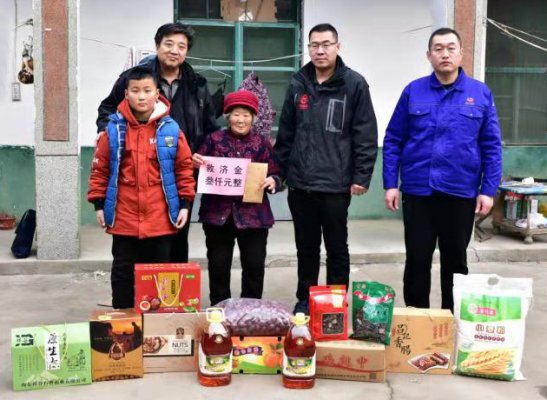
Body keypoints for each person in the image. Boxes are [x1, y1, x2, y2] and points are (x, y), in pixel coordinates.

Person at [383, 27, 503, 311]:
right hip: (418, 190)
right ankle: (417, 320)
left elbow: (491, 146)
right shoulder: (413, 91)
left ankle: (452, 321)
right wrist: (390, 183)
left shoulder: (480, 94)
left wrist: (487, 190)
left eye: (451, 48)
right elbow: (393, 139)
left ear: (461, 53)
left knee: (456, 262)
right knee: (417, 260)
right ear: (429, 55)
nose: (445, 54)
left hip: (460, 191)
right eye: (438, 49)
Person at [274, 23, 378, 315]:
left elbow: (365, 134)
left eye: (326, 44)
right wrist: (279, 173)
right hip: (301, 184)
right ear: (308, 48)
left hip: (336, 183)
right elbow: (286, 133)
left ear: (337, 47)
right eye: (314, 45)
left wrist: (361, 176)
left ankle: (334, 302)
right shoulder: (298, 83)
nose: (320, 50)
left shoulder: (354, 84)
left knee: (336, 247)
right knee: (306, 248)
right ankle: (305, 300)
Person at [96, 22, 219, 263]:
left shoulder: (198, 84)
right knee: (137, 240)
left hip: (182, 171)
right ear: (157, 45)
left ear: (187, 51)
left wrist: (202, 153)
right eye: (168, 44)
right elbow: (107, 109)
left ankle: (172, 286)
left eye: (181, 46)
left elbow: (210, 127)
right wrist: (106, 132)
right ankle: (139, 287)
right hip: (140, 171)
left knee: (178, 234)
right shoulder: (135, 78)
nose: (174, 50)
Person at [88, 67, 195, 309]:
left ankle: (158, 323)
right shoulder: (113, 129)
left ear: (157, 93)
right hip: (124, 216)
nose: (142, 96)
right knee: (123, 270)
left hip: (160, 216)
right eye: (135, 91)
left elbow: (184, 169)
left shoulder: (171, 129)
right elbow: (100, 169)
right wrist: (99, 204)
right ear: (126, 94)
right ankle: (124, 319)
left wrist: (185, 204)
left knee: (159, 272)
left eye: (147, 90)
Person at [192, 90, 282, 306]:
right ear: (227, 116)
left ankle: (250, 310)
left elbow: (277, 172)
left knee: (254, 266)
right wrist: (195, 165)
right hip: (218, 216)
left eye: (246, 115)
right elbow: (195, 174)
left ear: (253, 118)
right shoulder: (213, 140)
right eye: (236, 114)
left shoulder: (262, 143)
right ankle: (219, 310)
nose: (241, 120)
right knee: (218, 265)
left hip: (254, 217)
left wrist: (274, 181)